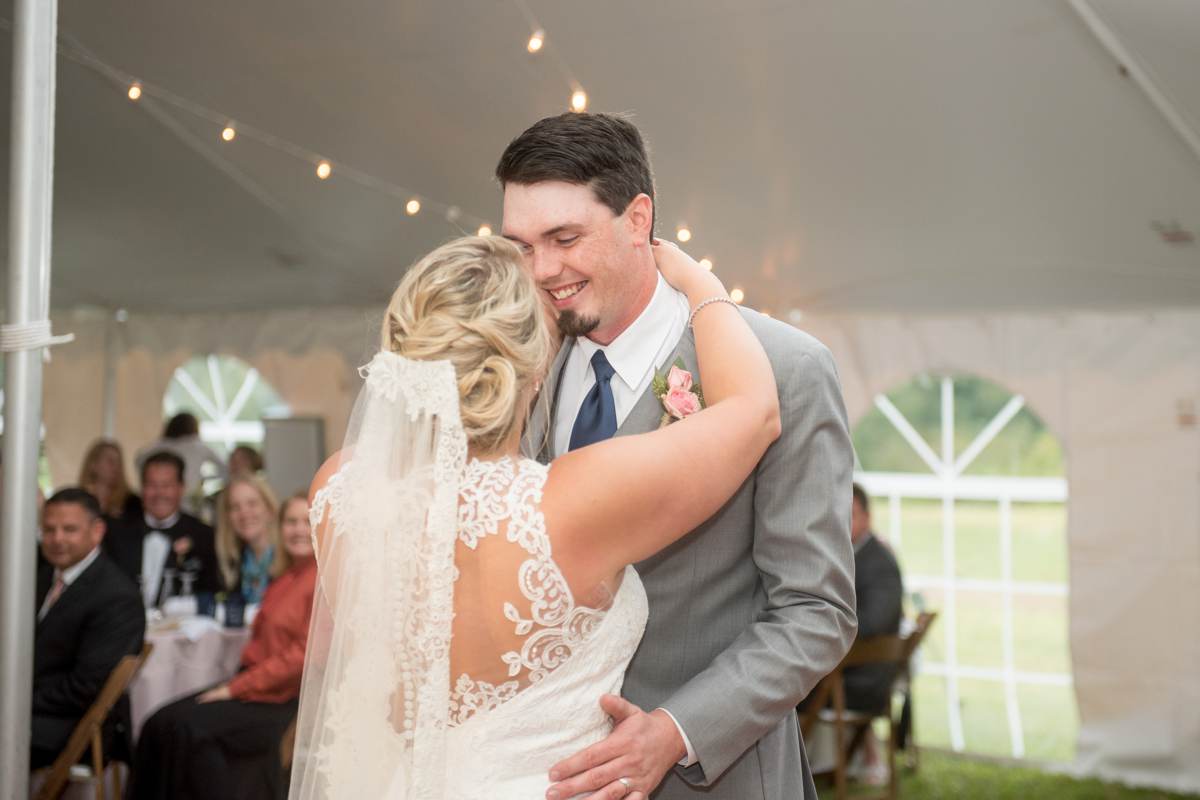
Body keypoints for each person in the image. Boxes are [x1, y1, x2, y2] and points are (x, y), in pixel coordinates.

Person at [290, 231, 785, 799]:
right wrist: (700, 282)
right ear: (534, 364)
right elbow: (755, 410)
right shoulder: (569, 502)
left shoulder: (340, 487)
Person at [500, 112, 856, 800]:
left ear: (639, 220)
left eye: (564, 238)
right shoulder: (518, 368)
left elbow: (816, 611)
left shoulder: (786, 368)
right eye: (522, 245)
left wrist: (677, 729)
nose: (542, 271)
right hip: (544, 772)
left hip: (713, 780)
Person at [130, 491, 317, 799]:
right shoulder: (286, 576)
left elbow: (301, 658)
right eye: (291, 521)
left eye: (307, 521)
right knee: (158, 723)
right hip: (256, 687)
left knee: (188, 730)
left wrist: (234, 688)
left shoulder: (321, 579)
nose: (298, 530)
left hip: (282, 700)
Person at [32, 488, 144, 769]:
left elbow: (85, 689)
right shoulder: (43, 577)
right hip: (36, 710)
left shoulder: (116, 595)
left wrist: (12, 700)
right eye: (49, 529)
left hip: (71, 726)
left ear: (97, 531)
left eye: (69, 529)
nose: (57, 539)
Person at [103, 451, 221, 607]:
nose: (159, 493)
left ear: (181, 488)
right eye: (152, 485)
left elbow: (211, 594)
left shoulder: (204, 535)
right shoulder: (116, 532)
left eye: (166, 485)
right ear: (142, 488)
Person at [135, 412, 227, 512]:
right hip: (189, 503)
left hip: (164, 502)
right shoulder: (198, 446)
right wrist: (203, 478)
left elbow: (139, 459)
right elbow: (225, 468)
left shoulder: (159, 445)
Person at [215, 474, 285, 605]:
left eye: (252, 504)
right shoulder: (234, 561)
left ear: (269, 509)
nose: (244, 513)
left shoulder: (289, 558)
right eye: (235, 507)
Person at [78, 438, 142, 523]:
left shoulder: (132, 502)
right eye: (110, 461)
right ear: (93, 465)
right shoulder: (79, 499)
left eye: (119, 462)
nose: (116, 467)